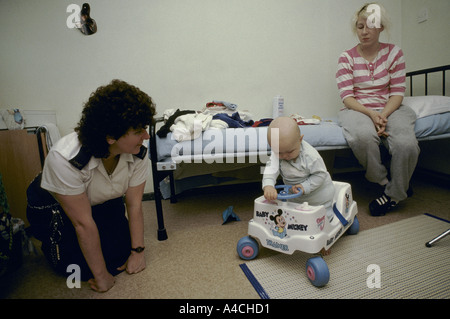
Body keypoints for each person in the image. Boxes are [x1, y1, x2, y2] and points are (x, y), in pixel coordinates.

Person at [26, 79, 155, 292]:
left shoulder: (138, 151)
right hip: (54, 207)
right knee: (77, 268)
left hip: (100, 198)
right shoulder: (65, 159)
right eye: (139, 130)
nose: (147, 136)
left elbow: (134, 204)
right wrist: (102, 276)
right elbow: (83, 224)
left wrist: (138, 251)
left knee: (120, 254)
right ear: (111, 136)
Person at [336, 3, 419, 216]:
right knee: (363, 136)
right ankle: (384, 181)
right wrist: (372, 115)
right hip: (358, 109)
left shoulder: (394, 53)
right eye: (360, 26)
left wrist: (383, 115)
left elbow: (397, 93)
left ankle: (393, 195)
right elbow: (347, 98)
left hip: (391, 108)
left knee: (406, 144)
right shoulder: (347, 57)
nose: (364, 31)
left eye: (370, 26)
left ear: (381, 27)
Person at [262, 117, 335, 222]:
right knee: (293, 214)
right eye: (279, 152)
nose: (285, 156)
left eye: (290, 151)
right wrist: (268, 185)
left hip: (319, 196)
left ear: (300, 140)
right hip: (295, 196)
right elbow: (270, 170)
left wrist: (305, 186)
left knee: (322, 216)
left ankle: (328, 219)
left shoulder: (311, 156)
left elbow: (320, 175)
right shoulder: (277, 154)